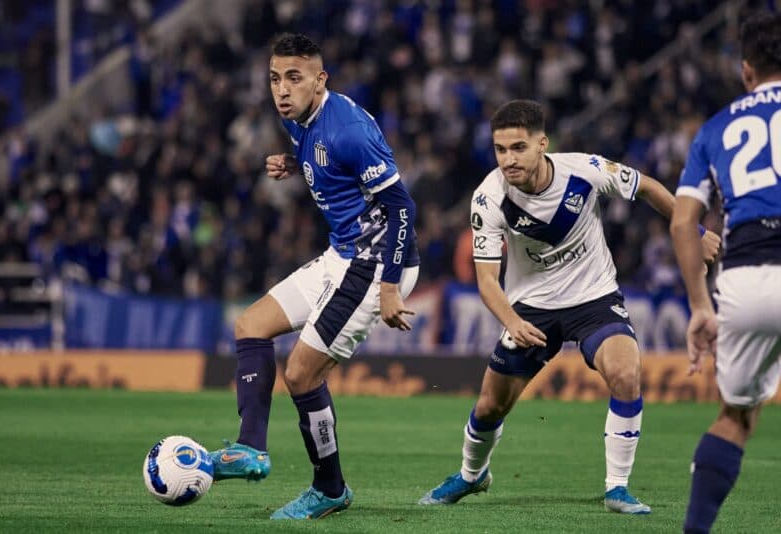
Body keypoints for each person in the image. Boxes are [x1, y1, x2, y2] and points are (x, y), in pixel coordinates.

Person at [418, 99, 720, 513]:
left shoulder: (585, 170)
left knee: (625, 371)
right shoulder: (488, 198)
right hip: (530, 309)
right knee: (490, 405)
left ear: (543, 144)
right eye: (500, 150)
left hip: (593, 298)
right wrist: (511, 320)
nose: (508, 159)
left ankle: (617, 487)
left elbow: (647, 186)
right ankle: (472, 475)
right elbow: (486, 280)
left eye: (519, 148)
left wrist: (695, 230)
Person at [209, 33, 420, 520]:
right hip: (342, 253)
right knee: (251, 325)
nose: (282, 89)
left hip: (376, 262)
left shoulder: (347, 130)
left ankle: (329, 489)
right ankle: (250, 449)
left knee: (301, 373)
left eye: (294, 78)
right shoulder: (301, 120)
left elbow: (401, 208)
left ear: (319, 80)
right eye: (275, 79)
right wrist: (297, 163)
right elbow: (334, 172)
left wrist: (390, 287)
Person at [669, 12, 781, 534]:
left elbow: (683, 220)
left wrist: (699, 305)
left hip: (748, 276)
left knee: (737, 414)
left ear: (746, 71)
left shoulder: (716, 128)